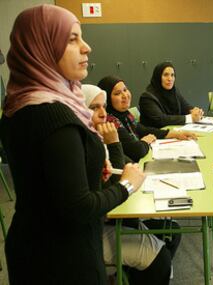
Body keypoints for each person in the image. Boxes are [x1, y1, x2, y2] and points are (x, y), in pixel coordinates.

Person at [0, 5, 145, 284]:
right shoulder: (56, 116)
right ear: (41, 47)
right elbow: (79, 207)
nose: (86, 47)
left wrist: (88, 167)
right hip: (65, 259)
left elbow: (45, 180)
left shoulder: (18, 105)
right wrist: (127, 184)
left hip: (31, 247)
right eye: (72, 39)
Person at [82, 84, 180, 284]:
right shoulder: (85, 143)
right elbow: (118, 181)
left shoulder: (98, 134)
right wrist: (114, 143)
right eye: (94, 108)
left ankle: (129, 275)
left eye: (103, 106)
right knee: (160, 258)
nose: (103, 114)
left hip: (111, 214)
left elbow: (124, 166)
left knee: (173, 231)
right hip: (92, 231)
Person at [97, 75, 197, 162]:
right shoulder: (109, 123)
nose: (125, 95)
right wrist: (145, 141)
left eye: (125, 90)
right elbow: (137, 150)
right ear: (107, 100)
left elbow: (142, 129)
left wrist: (175, 134)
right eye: (117, 93)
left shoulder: (125, 114)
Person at [139, 62, 204, 127]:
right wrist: (190, 118)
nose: (170, 79)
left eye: (172, 75)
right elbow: (161, 119)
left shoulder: (174, 91)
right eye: (165, 75)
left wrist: (195, 111)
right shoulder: (147, 97)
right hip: (154, 135)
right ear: (158, 77)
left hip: (173, 132)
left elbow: (185, 106)